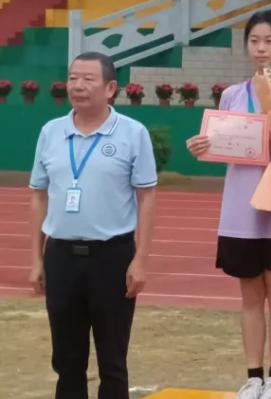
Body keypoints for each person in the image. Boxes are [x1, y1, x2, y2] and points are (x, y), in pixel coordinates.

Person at [186, 10, 271, 399]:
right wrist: (202, 146)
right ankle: (253, 378)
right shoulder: (232, 95)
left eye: (269, 41)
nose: (261, 48)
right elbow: (222, 145)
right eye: (254, 41)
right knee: (249, 297)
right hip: (240, 210)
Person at [28, 51, 158, 399]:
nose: (78, 86)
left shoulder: (133, 133)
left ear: (110, 88)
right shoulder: (51, 132)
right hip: (61, 257)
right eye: (73, 78)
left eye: (88, 79)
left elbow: (146, 198)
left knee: (113, 360)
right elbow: (39, 197)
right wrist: (37, 259)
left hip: (112, 257)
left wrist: (141, 259)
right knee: (66, 360)